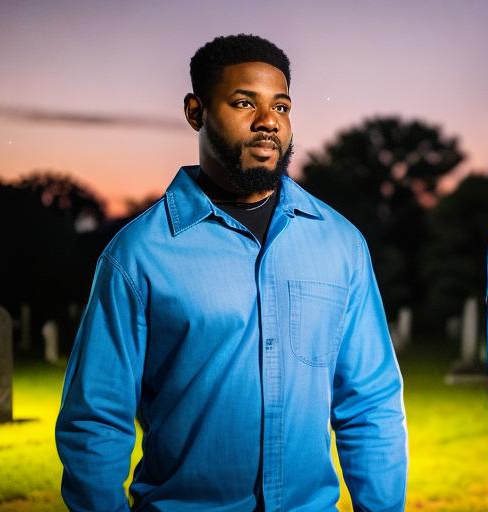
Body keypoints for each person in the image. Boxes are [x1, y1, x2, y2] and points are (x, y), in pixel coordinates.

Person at [55, 34, 407, 511]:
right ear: (195, 112)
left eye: (281, 107)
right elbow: (95, 420)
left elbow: (370, 404)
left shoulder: (341, 244)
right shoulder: (137, 255)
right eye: (245, 103)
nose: (268, 122)